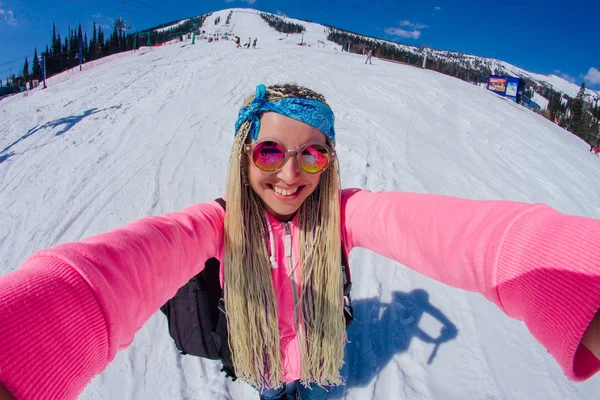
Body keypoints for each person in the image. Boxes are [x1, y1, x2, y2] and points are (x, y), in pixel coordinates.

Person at [1, 83, 600, 400]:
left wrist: (565, 273)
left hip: (318, 358)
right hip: (260, 358)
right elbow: (110, 275)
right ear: (244, 155)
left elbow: (465, 236)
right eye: (270, 151)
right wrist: (29, 337)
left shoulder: (341, 215)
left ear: (328, 162)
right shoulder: (216, 224)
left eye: (312, 155)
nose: (290, 175)